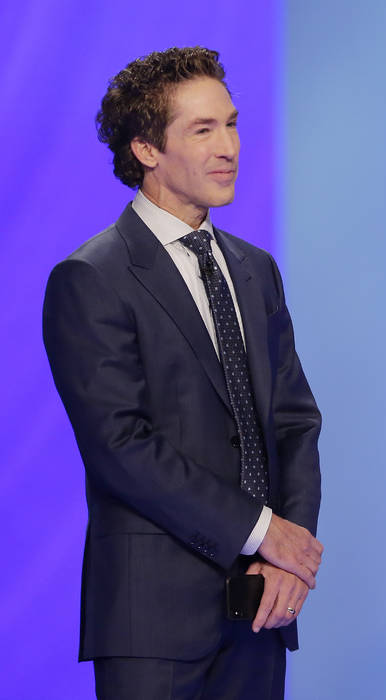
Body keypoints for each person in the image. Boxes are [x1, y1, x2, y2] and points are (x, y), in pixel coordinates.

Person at [43, 47, 323, 699]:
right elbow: (122, 447)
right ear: (145, 148)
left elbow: (294, 422)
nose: (229, 146)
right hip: (156, 629)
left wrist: (291, 552)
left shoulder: (255, 269)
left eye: (231, 123)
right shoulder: (92, 279)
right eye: (203, 130)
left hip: (260, 614)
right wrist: (262, 531)